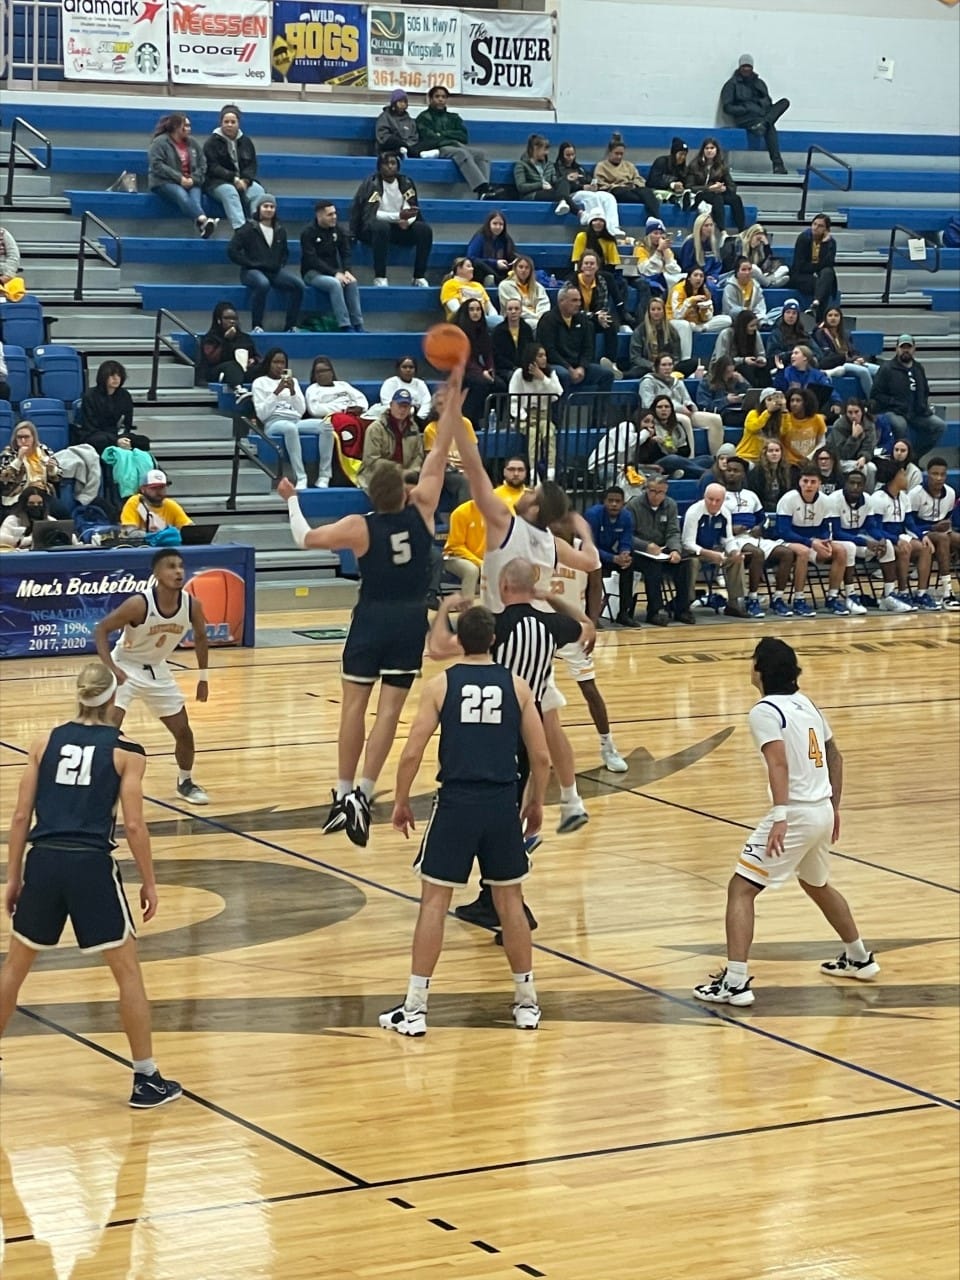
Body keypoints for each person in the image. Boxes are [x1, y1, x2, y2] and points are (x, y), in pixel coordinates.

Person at [278, 369, 459, 846]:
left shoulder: (359, 524)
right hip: (408, 621)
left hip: (371, 616)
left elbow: (304, 539)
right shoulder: (422, 509)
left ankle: (341, 793)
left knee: (353, 709)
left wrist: (293, 500)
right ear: (403, 488)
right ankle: (365, 791)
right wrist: (450, 408)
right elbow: (439, 456)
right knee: (389, 714)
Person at [0, 662, 182, 1107]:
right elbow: (135, 826)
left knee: (15, 969)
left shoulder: (44, 743)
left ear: (79, 695)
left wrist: (13, 874)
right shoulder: (127, 752)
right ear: (112, 696)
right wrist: (151, 883)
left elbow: (21, 816)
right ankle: (146, 1079)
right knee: (127, 974)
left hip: (43, 861)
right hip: (90, 866)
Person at [379, 602, 550, 1037]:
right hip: (500, 803)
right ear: (494, 639)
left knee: (434, 902)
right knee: (510, 903)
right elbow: (542, 756)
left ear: (459, 640)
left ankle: (415, 1009)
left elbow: (413, 749)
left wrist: (400, 800)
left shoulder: (440, 685)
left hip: (456, 802)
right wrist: (534, 804)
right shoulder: (517, 685)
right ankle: (526, 1003)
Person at [693, 637, 878, 1007]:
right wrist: (833, 807)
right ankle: (859, 957)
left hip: (794, 813)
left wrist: (780, 817)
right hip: (820, 809)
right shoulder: (807, 703)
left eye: (752, 661)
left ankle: (735, 982)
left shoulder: (764, 710)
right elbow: (836, 756)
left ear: (761, 670)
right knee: (817, 884)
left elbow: (778, 762)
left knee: (741, 888)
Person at [94, 549, 210, 804]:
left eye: (181, 566)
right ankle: (100, 786)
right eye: (171, 566)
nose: (178, 571)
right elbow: (101, 630)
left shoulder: (192, 604)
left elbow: (201, 637)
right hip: (125, 665)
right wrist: (112, 668)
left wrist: (203, 677)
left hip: (158, 669)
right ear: (156, 574)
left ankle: (185, 782)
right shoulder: (139, 604)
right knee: (109, 730)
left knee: (184, 732)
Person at [720, 454, 797, 618]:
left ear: (743, 474)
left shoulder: (751, 495)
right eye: (729, 470)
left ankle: (777, 598)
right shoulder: (719, 494)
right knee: (757, 553)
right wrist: (731, 528)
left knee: (787, 553)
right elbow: (713, 523)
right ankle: (752, 599)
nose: (731, 473)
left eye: (736, 471)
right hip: (730, 539)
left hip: (752, 537)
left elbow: (765, 519)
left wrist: (760, 527)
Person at [826, 468, 907, 614]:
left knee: (887, 544)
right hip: (838, 541)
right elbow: (837, 533)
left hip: (859, 541)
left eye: (859, 484)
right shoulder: (833, 499)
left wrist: (880, 539)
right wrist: (865, 542)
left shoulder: (867, 499)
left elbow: (871, 527)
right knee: (849, 547)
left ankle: (888, 595)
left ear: (864, 486)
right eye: (852, 483)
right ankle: (850, 595)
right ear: (845, 484)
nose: (855, 487)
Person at [349, 153, 433, 288]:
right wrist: (398, 217)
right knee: (382, 227)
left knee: (424, 230)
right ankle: (380, 277)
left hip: (400, 227)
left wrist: (408, 220)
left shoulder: (406, 182)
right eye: (386, 164)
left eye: (393, 163)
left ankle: (419, 276)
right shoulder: (371, 184)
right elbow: (372, 214)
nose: (390, 167)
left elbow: (412, 207)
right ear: (379, 166)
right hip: (374, 229)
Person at [775, 466, 848, 616]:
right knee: (803, 552)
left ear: (819, 483)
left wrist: (824, 540)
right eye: (805, 481)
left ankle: (832, 597)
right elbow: (784, 531)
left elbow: (825, 527)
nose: (809, 485)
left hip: (813, 541)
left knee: (840, 550)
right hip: (786, 540)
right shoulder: (788, 499)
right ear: (799, 482)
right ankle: (799, 599)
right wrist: (811, 542)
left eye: (813, 482)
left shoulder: (826, 501)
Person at [227, 196, 303, 334]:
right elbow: (232, 250)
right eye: (265, 206)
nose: (269, 209)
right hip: (251, 271)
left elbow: (285, 251)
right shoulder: (248, 228)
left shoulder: (280, 230)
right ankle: (257, 325)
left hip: (273, 271)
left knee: (298, 286)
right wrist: (248, 263)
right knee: (263, 284)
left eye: (272, 207)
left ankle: (290, 326)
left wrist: (280, 263)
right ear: (259, 208)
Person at [626, 476, 695, 626]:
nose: (656, 495)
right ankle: (654, 611)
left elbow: (673, 531)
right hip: (639, 552)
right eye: (653, 491)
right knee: (652, 566)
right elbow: (627, 536)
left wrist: (675, 550)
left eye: (661, 492)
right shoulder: (633, 506)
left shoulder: (670, 505)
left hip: (662, 549)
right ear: (646, 489)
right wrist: (645, 546)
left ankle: (682, 609)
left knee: (684, 563)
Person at [251, 348, 324, 490]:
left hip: (295, 420)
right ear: (268, 363)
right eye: (276, 362)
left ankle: (324, 475)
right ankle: (301, 477)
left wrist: (292, 392)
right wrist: (276, 392)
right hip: (273, 422)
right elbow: (262, 414)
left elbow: (301, 410)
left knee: (325, 425)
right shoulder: (260, 382)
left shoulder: (294, 382)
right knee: (290, 428)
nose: (279, 366)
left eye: (282, 363)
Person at [871, 458, 935, 609]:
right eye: (903, 475)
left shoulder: (903, 497)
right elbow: (875, 529)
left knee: (925, 547)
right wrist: (896, 539)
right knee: (904, 548)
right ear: (895, 476)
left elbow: (910, 523)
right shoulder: (878, 498)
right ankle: (902, 592)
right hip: (881, 538)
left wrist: (923, 536)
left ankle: (921, 593)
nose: (906, 478)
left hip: (898, 536)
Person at [870, 336, 946, 459]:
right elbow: (876, 394)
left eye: (909, 347)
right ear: (896, 349)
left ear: (914, 349)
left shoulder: (918, 368)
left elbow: (925, 390)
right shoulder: (887, 368)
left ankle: (914, 455)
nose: (905, 350)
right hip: (893, 411)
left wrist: (924, 406)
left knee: (940, 426)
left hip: (916, 412)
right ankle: (902, 458)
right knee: (900, 425)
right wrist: (894, 403)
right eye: (902, 347)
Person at [681, 484, 749, 617]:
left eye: (718, 500)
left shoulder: (725, 513)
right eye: (710, 499)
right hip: (691, 552)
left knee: (736, 560)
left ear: (723, 500)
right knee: (692, 563)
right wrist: (709, 554)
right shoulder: (694, 512)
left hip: (713, 550)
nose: (713, 503)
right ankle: (686, 602)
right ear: (704, 497)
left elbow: (727, 539)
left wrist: (735, 551)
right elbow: (687, 543)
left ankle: (734, 603)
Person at [536, 285, 614, 399]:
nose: (578, 304)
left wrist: (582, 367)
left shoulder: (583, 320)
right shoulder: (548, 320)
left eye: (579, 300)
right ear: (561, 301)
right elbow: (549, 351)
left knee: (607, 375)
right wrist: (569, 369)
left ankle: (599, 416)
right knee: (564, 375)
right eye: (574, 300)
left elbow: (588, 348)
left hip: (578, 367)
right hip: (556, 365)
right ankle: (559, 416)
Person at [147, 113, 218, 238]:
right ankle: (204, 220)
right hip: (165, 182)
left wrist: (193, 179)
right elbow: (157, 165)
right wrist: (179, 178)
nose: (189, 128)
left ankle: (202, 225)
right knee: (182, 196)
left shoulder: (193, 143)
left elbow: (203, 164)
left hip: (192, 181)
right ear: (176, 127)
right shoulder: (160, 142)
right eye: (186, 125)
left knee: (196, 201)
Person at [639, 353, 723, 455]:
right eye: (664, 365)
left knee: (715, 419)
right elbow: (648, 404)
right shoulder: (648, 382)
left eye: (670, 365)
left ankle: (717, 456)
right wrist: (678, 408)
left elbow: (686, 399)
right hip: (661, 414)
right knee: (685, 420)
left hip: (684, 411)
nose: (667, 368)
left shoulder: (677, 381)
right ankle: (691, 456)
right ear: (657, 367)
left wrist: (690, 406)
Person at [300, 199, 364, 334]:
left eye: (335, 214)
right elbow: (312, 260)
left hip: (334, 272)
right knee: (335, 284)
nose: (334, 217)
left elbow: (345, 253)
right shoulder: (308, 232)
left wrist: (347, 271)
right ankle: (345, 324)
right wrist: (335, 273)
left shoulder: (338, 230)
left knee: (352, 282)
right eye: (330, 215)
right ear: (319, 216)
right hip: (312, 273)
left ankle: (358, 324)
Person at [415, 86, 491, 197]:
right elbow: (430, 137)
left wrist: (443, 134)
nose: (440, 99)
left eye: (443, 97)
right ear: (430, 99)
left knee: (482, 154)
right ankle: (481, 187)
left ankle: (484, 192)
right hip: (438, 148)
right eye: (437, 96)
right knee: (461, 153)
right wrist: (450, 136)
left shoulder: (453, 117)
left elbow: (463, 136)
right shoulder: (423, 117)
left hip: (456, 145)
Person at [720, 54, 789, 174]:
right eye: (744, 66)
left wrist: (761, 105)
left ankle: (764, 123)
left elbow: (768, 101)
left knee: (784, 102)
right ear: (740, 67)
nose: (746, 69)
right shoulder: (732, 84)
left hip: (762, 116)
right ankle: (778, 165)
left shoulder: (760, 83)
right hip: (745, 119)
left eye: (749, 66)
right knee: (770, 128)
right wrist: (746, 108)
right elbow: (727, 107)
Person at [304, 355, 368, 485]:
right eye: (318, 372)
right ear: (314, 375)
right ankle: (352, 467)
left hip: (353, 415)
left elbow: (362, 400)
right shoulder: (313, 389)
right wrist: (344, 408)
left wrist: (359, 408)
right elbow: (315, 410)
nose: (322, 374)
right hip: (333, 418)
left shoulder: (343, 385)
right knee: (348, 425)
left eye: (325, 370)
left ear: (332, 372)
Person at [202, 104, 265, 231]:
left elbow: (252, 165)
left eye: (233, 122)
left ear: (238, 123)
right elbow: (213, 167)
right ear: (221, 123)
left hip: (243, 181)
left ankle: (257, 227)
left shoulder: (246, 141)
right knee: (230, 193)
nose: (229, 125)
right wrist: (233, 179)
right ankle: (241, 230)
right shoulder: (211, 143)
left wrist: (246, 181)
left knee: (259, 192)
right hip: (217, 183)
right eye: (226, 122)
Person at [906, 456, 957, 609]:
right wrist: (933, 528)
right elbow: (908, 525)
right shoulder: (915, 494)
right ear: (927, 474)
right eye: (935, 474)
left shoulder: (951, 493)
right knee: (942, 538)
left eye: (942, 474)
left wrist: (944, 526)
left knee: (948, 538)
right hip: (917, 534)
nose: (939, 478)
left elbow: (947, 522)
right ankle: (947, 592)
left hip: (940, 534)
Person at [586, 485, 638, 628]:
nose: (614, 504)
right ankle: (592, 615)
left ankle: (624, 613)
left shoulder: (626, 516)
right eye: (610, 500)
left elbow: (626, 539)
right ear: (604, 502)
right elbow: (589, 545)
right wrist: (612, 558)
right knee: (593, 572)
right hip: (592, 556)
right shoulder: (593, 515)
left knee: (629, 567)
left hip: (611, 555)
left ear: (623, 503)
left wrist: (625, 554)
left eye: (618, 501)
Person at [508, 344, 563, 475]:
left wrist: (543, 378)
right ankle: (533, 473)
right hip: (525, 416)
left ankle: (551, 472)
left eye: (545, 355)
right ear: (531, 358)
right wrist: (524, 417)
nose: (544, 359)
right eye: (540, 356)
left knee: (549, 433)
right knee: (533, 434)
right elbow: (513, 401)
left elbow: (558, 394)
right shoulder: (519, 374)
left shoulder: (550, 373)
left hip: (543, 415)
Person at [76, 360, 151, 454]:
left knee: (143, 441)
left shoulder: (125, 395)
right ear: (103, 377)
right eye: (112, 375)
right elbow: (90, 427)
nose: (116, 379)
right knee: (100, 440)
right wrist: (115, 441)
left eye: (118, 375)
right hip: (95, 434)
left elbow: (127, 423)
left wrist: (123, 437)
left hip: (116, 434)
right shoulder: (90, 396)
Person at [567, 249, 622, 368]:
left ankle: (612, 363)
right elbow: (571, 309)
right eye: (586, 263)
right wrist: (594, 316)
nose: (589, 266)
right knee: (589, 325)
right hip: (574, 318)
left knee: (609, 322)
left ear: (597, 266)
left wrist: (600, 316)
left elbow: (604, 304)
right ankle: (589, 363)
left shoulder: (601, 281)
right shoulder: (572, 282)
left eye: (592, 264)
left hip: (594, 316)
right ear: (581, 266)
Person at [553, 141, 624, 234]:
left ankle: (613, 227)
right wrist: (581, 187)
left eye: (572, 155)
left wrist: (592, 185)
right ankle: (597, 227)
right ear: (562, 155)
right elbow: (558, 184)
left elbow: (588, 178)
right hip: (571, 194)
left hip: (586, 190)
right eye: (567, 155)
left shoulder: (579, 168)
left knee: (608, 197)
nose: (570, 158)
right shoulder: (556, 168)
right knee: (591, 197)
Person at [457, 298, 507, 427]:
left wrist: (490, 369)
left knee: (500, 385)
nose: (475, 313)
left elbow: (488, 354)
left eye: (478, 309)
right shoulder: (459, 332)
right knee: (480, 383)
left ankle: (494, 421)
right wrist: (481, 372)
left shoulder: (483, 330)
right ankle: (471, 419)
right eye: (472, 309)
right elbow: (463, 358)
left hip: (479, 369)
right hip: (462, 370)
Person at [811, 306, 877, 400]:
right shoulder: (820, 334)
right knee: (864, 371)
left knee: (879, 370)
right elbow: (828, 355)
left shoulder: (845, 334)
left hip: (851, 362)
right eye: (830, 315)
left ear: (840, 318)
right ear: (825, 318)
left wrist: (858, 358)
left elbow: (853, 351)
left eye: (836, 315)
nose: (833, 318)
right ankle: (872, 400)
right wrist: (851, 360)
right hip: (838, 364)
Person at [360, 387, 424, 483]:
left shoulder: (414, 428)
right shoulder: (376, 429)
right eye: (399, 405)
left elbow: (418, 456)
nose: (402, 410)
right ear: (391, 405)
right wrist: (397, 471)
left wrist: (411, 471)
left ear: (410, 408)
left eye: (406, 406)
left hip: (407, 475)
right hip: (379, 475)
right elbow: (371, 460)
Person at [635, 395, 706, 479]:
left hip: (679, 460)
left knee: (706, 459)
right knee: (673, 459)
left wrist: (673, 449)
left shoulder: (677, 426)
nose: (663, 409)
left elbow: (686, 451)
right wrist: (652, 444)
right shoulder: (650, 427)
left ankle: (677, 474)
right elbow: (644, 458)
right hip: (658, 463)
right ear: (654, 409)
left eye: (667, 407)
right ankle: (707, 474)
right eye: (660, 407)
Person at [195, 302, 259, 391]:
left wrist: (253, 360)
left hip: (244, 370)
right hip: (218, 371)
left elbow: (256, 355)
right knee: (232, 365)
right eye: (227, 318)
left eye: (234, 318)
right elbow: (212, 359)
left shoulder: (245, 337)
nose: (232, 321)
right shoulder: (210, 338)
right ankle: (238, 390)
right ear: (219, 320)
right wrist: (226, 340)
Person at [593, 133, 659, 218]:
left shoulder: (629, 165)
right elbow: (600, 183)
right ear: (610, 152)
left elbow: (638, 178)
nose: (619, 156)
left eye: (621, 154)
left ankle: (656, 219)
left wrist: (634, 184)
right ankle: (647, 201)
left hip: (632, 189)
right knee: (621, 192)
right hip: (616, 191)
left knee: (647, 191)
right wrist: (615, 186)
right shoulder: (601, 166)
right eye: (616, 153)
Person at [688, 138, 746, 233]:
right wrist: (709, 188)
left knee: (736, 198)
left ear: (716, 150)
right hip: (700, 194)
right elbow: (690, 187)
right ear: (703, 150)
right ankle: (722, 230)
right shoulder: (694, 165)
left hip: (717, 193)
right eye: (707, 148)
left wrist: (724, 189)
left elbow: (732, 186)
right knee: (717, 198)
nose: (709, 150)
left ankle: (742, 230)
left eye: (712, 148)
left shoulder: (722, 166)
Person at [0, 420, 61, 507]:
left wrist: (52, 471)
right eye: (19, 437)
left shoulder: (44, 450)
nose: (23, 440)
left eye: (27, 437)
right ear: (15, 438)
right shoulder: (8, 453)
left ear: (33, 438)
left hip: (43, 493)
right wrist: (18, 460)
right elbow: (3, 480)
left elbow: (59, 476)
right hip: (19, 495)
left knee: (63, 513)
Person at [789, 215, 838, 323]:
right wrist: (816, 270)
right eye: (814, 224)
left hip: (820, 275)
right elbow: (800, 265)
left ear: (826, 230)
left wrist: (824, 245)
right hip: (801, 276)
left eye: (820, 226)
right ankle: (820, 319)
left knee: (828, 273)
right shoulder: (804, 238)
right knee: (824, 285)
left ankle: (815, 303)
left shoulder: (830, 243)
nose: (815, 228)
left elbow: (828, 264)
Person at [667, 267, 730, 349]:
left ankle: (700, 328)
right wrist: (690, 301)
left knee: (727, 320)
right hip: (675, 321)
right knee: (685, 325)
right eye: (695, 275)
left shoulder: (705, 291)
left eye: (701, 276)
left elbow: (709, 318)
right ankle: (686, 358)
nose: (698, 278)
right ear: (689, 278)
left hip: (697, 324)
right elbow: (677, 315)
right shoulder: (678, 290)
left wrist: (704, 310)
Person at [0, 486, 75, 549]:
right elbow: (1, 538)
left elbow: (67, 535)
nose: (36, 506)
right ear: (24, 504)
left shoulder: (50, 520)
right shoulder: (13, 520)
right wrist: (26, 540)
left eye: (39, 503)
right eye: (31, 503)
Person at [119, 468, 192, 532]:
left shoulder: (171, 505)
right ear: (143, 489)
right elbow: (129, 531)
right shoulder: (135, 502)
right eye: (154, 488)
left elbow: (189, 529)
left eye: (162, 487)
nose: (158, 491)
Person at [828, 398, 878, 487]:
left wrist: (864, 457)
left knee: (871, 468)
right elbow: (843, 454)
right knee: (861, 469)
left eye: (856, 412)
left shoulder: (869, 425)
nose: (853, 416)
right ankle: (856, 494)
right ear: (845, 413)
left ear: (862, 412)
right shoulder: (839, 426)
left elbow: (869, 447)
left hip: (858, 459)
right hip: (839, 460)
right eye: (850, 412)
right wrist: (854, 437)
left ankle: (868, 496)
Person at [375, 89, 437, 158]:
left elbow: (414, 137)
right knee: (394, 140)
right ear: (394, 103)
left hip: (409, 146)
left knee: (431, 142)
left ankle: (408, 152)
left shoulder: (409, 120)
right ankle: (416, 153)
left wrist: (407, 144)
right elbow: (382, 136)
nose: (403, 104)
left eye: (405, 102)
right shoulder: (385, 116)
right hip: (390, 147)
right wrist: (401, 142)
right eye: (400, 101)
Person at [440, 256, 500, 326]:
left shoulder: (478, 285)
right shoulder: (450, 285)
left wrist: (493, 318)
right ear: (459, 269)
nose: (472, 269)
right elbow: (456, 310)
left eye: (472, 266)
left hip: (483, 320)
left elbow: (490, 307)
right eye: (468, 266)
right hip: (462, 321)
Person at [442, 498, 485, 597]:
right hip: (455, 556)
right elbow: (456, 545)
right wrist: (478, 561)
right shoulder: (460, 513)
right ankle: (467, 608)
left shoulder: (495, 512)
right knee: (471, 570)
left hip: (483, 557)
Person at [514, 133, 569, 208]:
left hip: (549, 192)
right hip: (532, 195)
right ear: (535, 148)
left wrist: (566, 179)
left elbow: (554, 181)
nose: (547, 153)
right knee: (560, 195)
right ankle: (565, 202)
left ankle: (567, 204)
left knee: (563, 182)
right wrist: (541, 185)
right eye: (545, 149)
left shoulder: (549, 165)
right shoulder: (521, 165)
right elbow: (521, 187)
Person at [465, 211, 518, 286]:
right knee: (477, 264)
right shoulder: (480, 237)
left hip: (501, 271)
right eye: (495, 224)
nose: (498, 227)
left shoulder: (506, 238)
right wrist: (495, 263)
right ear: (488, 224)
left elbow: (510, 255)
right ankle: (497, 281)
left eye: (501, 224)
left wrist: (516, 260)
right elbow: (471, 258)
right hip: (482, 271)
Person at [780, 387, 828, 470]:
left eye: (798, 401)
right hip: (789, 463)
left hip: (811, 461)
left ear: (806, 403)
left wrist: (809, 458)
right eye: (792, 400)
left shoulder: (817, 419)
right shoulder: (784, 418)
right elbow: (779, 441)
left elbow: (821, 442)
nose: (794, 404)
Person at [735, 386, 785, 463]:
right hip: (746, 456)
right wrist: (768, 412)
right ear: (762, 402)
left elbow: (784, 432)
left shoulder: (780, 418)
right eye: (769, 400)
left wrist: (784, 412)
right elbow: (754, 427)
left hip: (767, 459)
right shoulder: (753, 413)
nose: (772, 403)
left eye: (775, 400)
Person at [498, 255, 551, 325]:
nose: (523, 270)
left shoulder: (538, 287)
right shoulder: (505, 285)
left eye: (527, 268)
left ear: (531, 271)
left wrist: (541, 317)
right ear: (515, 269)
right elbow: (516, 308)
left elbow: (544, 304)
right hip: (515, 320)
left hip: (538, 319)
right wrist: (536, 318)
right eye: (520, 267)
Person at [646, 137, 695, 212]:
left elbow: (685, 184)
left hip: (675, 193)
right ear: (674, 153)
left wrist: (681, 188)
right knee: (664, 195)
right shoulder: (661, 162)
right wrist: (671, 185)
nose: (683, 157)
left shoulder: (683, 169)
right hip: (657, 192)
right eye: (681, 154)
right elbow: (652, 181)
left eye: (685, 155)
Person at [734, 223, 790, 288]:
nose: (758, 243)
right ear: (751, 235)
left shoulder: (758, 249)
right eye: (758, 239)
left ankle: (768, 281)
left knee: (784, 268)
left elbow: (768, 265)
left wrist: (766, 245)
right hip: (740, 275)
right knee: (753, 267)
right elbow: (735, 267)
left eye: (761, 241)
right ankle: (770, 284)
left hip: (758, 276)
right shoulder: (738, 243)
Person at [677, 212, 724, 288]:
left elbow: (717, 264)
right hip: (695, 278)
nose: (709, 228)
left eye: (711, 225)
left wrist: (714, 276)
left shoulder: (713, 243)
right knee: (710, 287)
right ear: (699, 227)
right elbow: (686, 266)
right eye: (706, 226)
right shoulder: (690, 243)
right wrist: (703, 277)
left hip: (711, 278)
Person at [697, 356, 751, 421]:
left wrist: (743, 382)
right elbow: (704, 406)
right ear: (720, 371)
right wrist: (726, 401)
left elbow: (750, 395)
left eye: (732, 371)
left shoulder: (735, 380)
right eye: (728, 372)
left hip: (738, 410)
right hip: (721, 414)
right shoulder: (707, 383)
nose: (730, 375)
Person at [379, 357, 432, 422]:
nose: (408, 370)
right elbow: (386, 404)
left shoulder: (420, 383)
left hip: (418, 419)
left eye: (411, 367)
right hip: (394, 419)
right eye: (404, 367)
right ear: (398, 369)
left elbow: (427, 402)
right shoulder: (390, 383)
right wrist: (402, 415)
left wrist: (419, 418)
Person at [492, 297, 536, 376]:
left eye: (516, 309)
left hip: (524, 367)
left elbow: (531, 350)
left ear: (521, 311)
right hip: (505, 369)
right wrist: (513, 367)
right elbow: (496, 356)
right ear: (506, 312)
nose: (513, 311)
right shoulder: (498, 331)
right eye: (510, 309)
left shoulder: (527, 329)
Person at [722, 257, 768, 323]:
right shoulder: (730, 287)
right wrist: (746, 311)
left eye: (749, 269)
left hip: (753, 318)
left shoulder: (756, 286)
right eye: (743, 270)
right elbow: (730, 310)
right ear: (737, 272)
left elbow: (760, 306)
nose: (747, 272)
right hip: (736, 319)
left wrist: (756, 315)